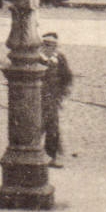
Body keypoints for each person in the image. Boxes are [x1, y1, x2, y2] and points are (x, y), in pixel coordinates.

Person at [40, 32, 74, 166]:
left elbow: (67, 77)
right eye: (46, 44)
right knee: (36, 125)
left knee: (52, 126)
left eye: (53, 45)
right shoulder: (35, 58)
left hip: (53, 97)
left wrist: (62, 94)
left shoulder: (59, 58)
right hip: (37, 97)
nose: (49, 47)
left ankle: (53, 155)